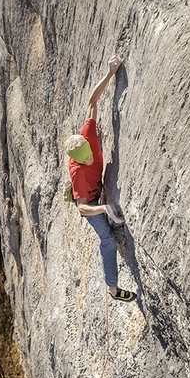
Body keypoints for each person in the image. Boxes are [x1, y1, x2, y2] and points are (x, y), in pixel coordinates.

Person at [65, 55, 136, 302]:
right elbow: (82, 208)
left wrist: (110, 73)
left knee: (109, 233)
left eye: (88, 157)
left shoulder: (88, 135)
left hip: (97, 192)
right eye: (83, 160)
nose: (88, 161)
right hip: (89, 200)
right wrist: (103, 207)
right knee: (107, 239)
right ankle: (113, 289)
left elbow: (92, 101)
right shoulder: (78, 174)